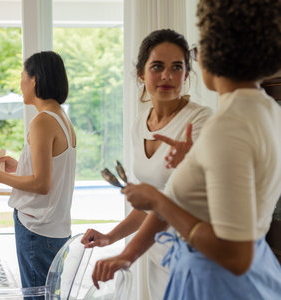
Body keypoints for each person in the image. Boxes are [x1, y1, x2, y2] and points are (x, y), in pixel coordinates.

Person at [91, 1, 281, 299]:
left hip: (212, 279)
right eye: (157, 67)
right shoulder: (267, 109)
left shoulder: (222, 125)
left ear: (210, 53)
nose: (168, 75)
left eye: (187, 58)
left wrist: (155, 198)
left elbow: (235, 255)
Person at [81, 29, 212, 300]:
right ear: (141, 73)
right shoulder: (140, 124)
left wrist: (128, 254)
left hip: (197, 256)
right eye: (157, 66)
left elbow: (172, 200)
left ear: (187, 75)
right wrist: (110, 237)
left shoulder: (200, 122)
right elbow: (149, 204)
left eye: (177, 67)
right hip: (158, 256)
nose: (167, 75)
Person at [0, 51, 76, 294]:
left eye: (22, 77)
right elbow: (48, 172)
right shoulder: (62, 118)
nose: (20, 84)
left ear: (35, 80)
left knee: (37, 295)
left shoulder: (42, 121)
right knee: (51, 294)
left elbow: (42, 184)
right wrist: (17, 166)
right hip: (56, 227)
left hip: (37, 228)